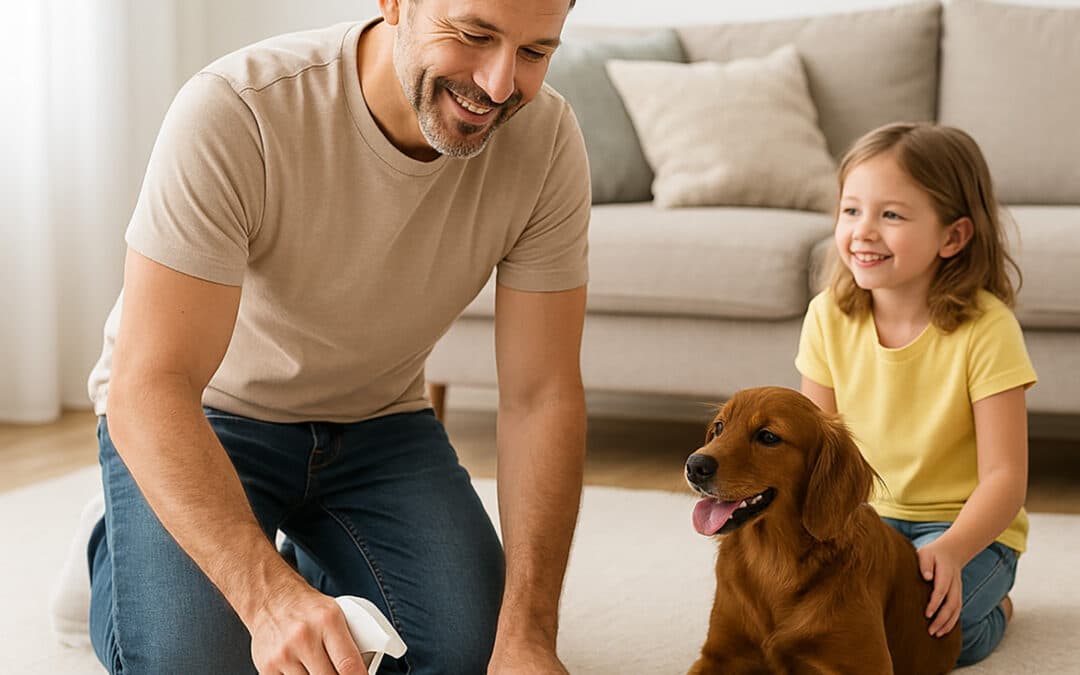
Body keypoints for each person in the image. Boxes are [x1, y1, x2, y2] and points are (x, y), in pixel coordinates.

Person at [58, 0, 590, 672]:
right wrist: (265, 597)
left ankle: (310, 562)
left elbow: (541, 395)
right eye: (473, 34)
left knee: (473, 654)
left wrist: (529, 636)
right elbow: (148, 385)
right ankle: (118, 534)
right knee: (198, 661)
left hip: (379, 424)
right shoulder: (237, 109)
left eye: (536, 53)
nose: (497, 84)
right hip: (206, 419)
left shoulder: (547, 142)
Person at [795, 122, 1036, 667]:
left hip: (964, 529)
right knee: (823, 622)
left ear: (953, 237)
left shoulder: (986, 329)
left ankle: (998, 603)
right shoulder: (826, 317)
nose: (863, 231)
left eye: (892, 215)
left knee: (924, 642)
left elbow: (1006, 477)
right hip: (865, 520)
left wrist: (951, 549)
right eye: (851, 210)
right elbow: (817, 450)